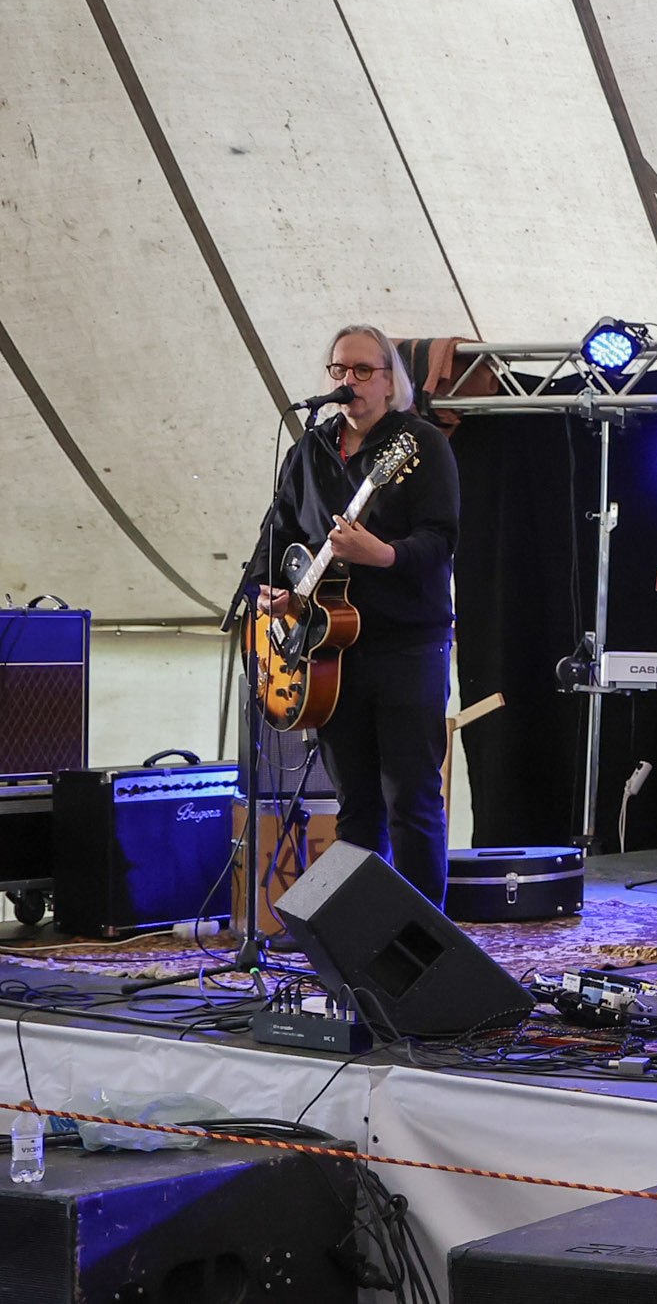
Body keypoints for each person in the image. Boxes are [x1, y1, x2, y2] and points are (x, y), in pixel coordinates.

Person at [250, 325, 460, 905]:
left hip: (406, 645)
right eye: (340, 369)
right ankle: (357, 934)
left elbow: (441, 539)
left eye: (364, 370)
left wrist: (383, 554)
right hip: (327, 654)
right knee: (355, 805)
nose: (349, 381)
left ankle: (423, 936)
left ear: (392, 381)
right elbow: (275, 533)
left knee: (410, 800)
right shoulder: (310, 449)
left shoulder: (419, 444)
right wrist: (268, 591)